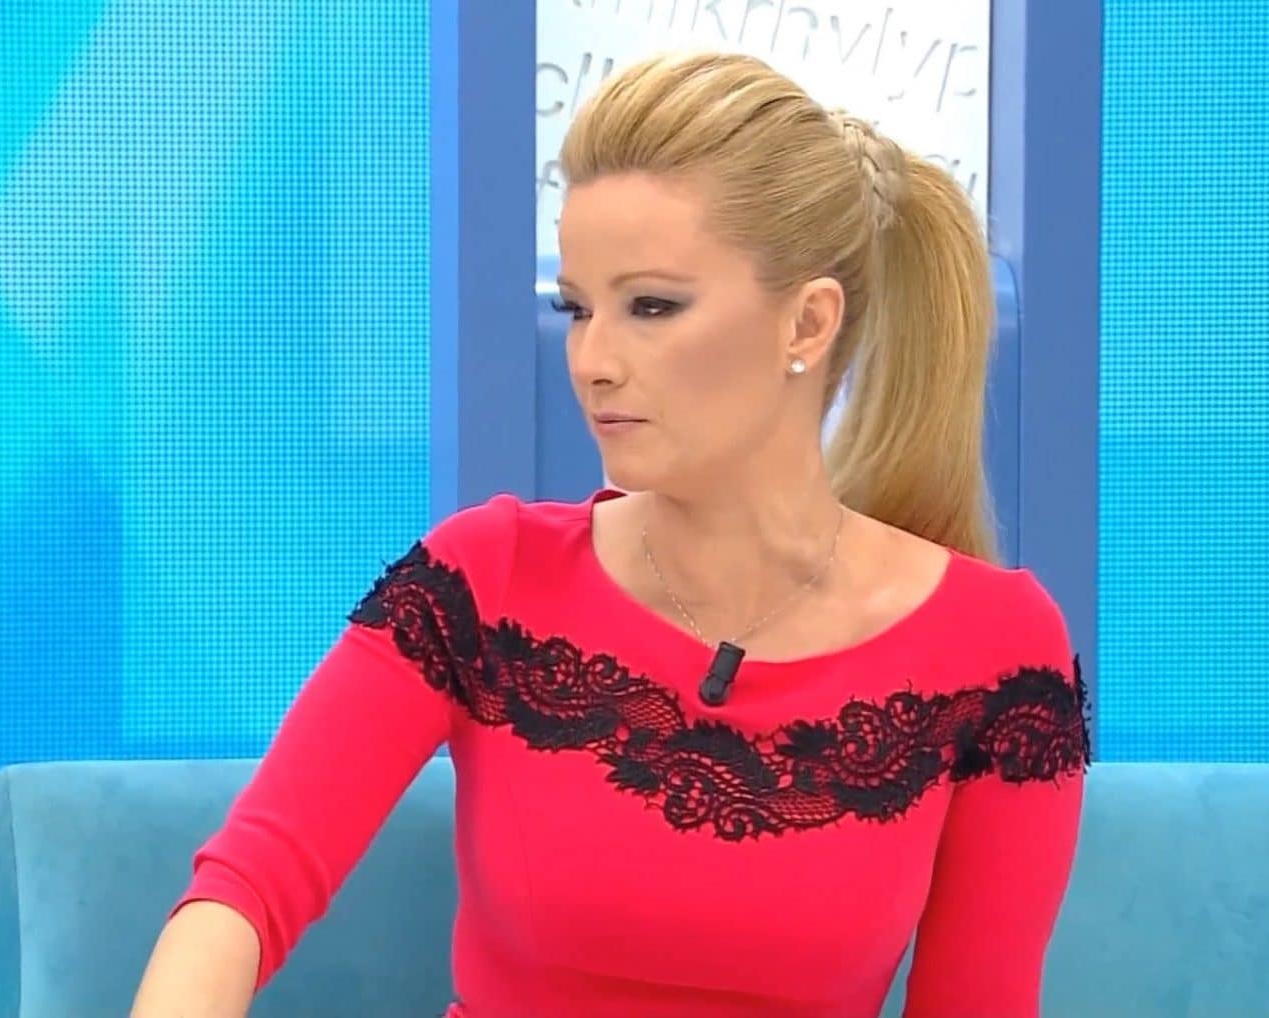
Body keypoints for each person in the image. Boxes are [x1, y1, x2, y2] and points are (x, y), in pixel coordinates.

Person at [131, 50, 1090, 1018]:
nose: (591, 359)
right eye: (578, 308)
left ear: (806, 323)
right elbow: (244, 889)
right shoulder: (484, 576)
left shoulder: (998, 649)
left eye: (652, 307)